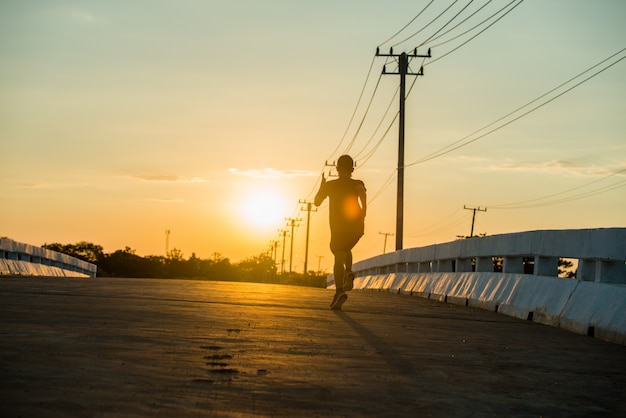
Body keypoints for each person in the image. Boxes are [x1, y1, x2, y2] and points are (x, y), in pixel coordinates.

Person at [314, 155, 366, 310]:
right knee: (345, 249)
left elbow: (316, 202)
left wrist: (322, 186)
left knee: (338, 254)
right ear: (352, 169)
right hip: (356, 226)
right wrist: (364, 212)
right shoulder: (358, 183)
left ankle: (339, 292)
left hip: (338, 227)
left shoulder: (330, 185)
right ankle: (349, 272)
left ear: (337, 169)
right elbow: (361, 192)